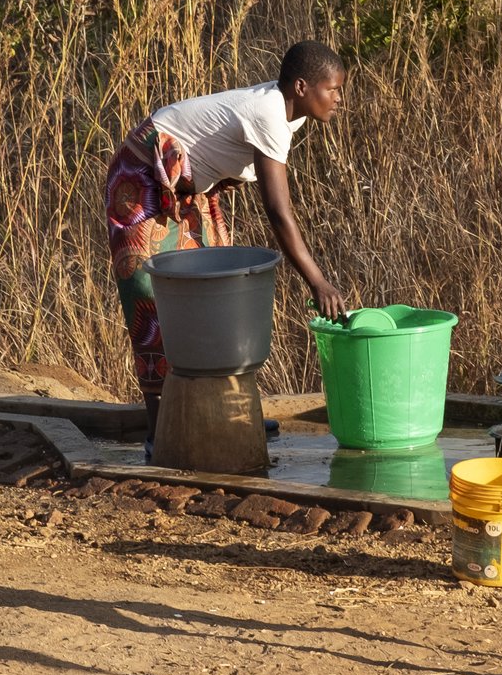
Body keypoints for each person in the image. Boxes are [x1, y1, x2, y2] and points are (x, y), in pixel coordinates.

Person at [102, 42, 351, 432]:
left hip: (188, 187)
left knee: (209, 298)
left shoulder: (289, 116)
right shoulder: (269, 112)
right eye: (333, 89)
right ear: (302, 87)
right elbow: (278, 211)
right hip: (146, 172)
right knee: (155, 299)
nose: (340, 99)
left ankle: (222, 422)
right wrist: (317, 282)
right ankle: (162, 433)